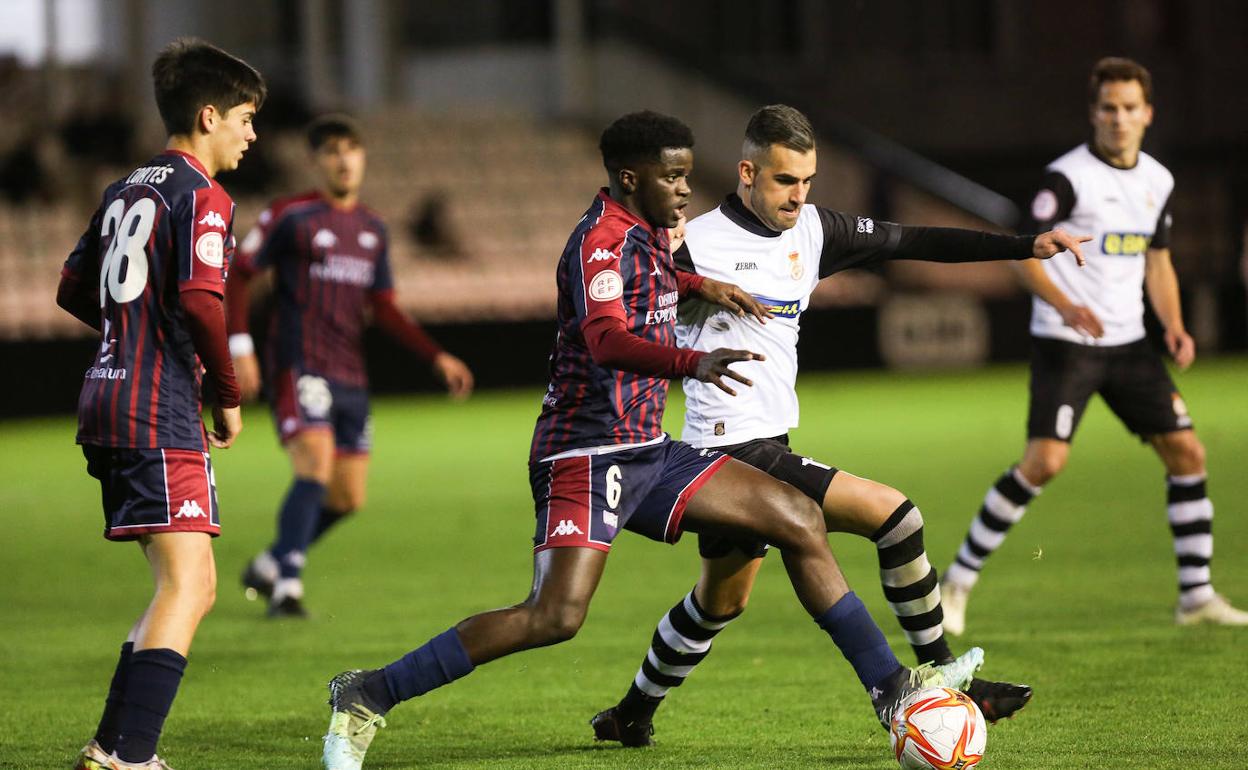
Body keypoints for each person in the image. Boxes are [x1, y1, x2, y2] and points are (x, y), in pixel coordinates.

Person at [319, 111, 986, 770]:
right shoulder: (598, 245)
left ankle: (890, 687)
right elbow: (606, 339)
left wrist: (703, 285)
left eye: (688, 175)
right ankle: (369, 691)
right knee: (555, 616)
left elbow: (660, 284)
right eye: (673, 177)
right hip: (583, 453)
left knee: (797, 517)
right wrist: (693, 362)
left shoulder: (648, 233)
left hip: (649, 447)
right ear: (631, 177)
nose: (685, 190)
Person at [588, 104, 1089, 746]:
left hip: (768, 441)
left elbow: (913, 240)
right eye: (784, 181)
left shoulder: (814, 231)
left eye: (807, 182)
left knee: (721, 601)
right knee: (895, 516)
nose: (798, 196)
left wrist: (1024, 246)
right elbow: (624, 326)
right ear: (747, 171)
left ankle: (631, 714)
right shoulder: (693, 243)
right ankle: (943, 680)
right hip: (724, 446)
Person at [940, 57, 1248, 634]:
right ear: (1093, 113)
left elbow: (1157, 261)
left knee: (1188, 454)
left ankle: (1197, 595)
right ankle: (957, 581)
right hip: (1067, 343)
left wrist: (1174, 326)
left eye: (1130, 107)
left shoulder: (1158, 180)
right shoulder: (1067, 178)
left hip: (1130, 346)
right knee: (1045, 462)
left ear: (1147, 114)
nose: (1119, 118)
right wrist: (1066, 306)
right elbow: (1023, 253)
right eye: (1109, 107)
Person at [57, 38, 265, 770]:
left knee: (181, 584)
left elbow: (72, 288)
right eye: (243, 117)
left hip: (106, 399)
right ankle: (128, 754)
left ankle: (114, 746)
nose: (251, 133)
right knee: (192, 583)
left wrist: (131, 328)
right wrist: (227, 391)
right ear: (208, 116)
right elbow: (206, 303)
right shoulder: (202, 195)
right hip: (157, 409)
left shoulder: (125, 188)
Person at [227, 115, 475, 617]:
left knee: (347, 498)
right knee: (314, 467)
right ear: (316, 161)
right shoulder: (290, 216)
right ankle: (288, 588)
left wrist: (435, 355)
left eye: (352, 150)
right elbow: (239, 274)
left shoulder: (372, 227)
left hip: (351, 375)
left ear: (363, 158)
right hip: (298, 364)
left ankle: (272, 562)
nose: (344, 160)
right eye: (333, 151)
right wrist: (240, 346)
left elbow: (382, 306)